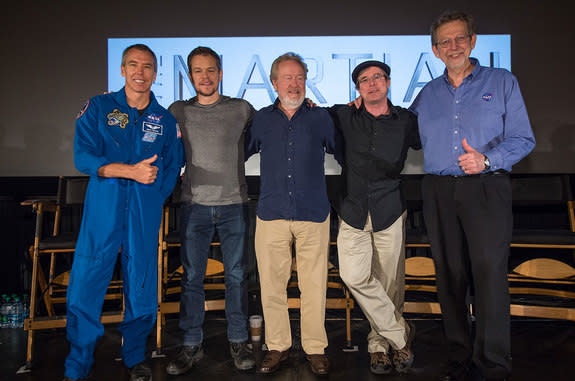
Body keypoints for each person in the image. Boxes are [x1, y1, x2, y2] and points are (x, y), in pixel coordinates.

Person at [409, 11, 535, 381]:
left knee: (489, 274)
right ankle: (459, 357)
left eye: (460, 38)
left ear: (473, 41)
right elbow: (403, 133)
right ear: (435, 50)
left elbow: (523, 138)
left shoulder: (502, 81)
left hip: (486, 188)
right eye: (445, 41)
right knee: (449, 276)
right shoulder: (427, 93)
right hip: (438, 191)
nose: (454, 46)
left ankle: (493, 363)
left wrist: (487, 158)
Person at [63, 44, 183, 381]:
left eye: (147, 67)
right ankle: (78, 364)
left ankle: (133, 356)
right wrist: (127, 171)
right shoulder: (99, 108)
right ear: (122, 69)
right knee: (86, 285)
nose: (140, 72)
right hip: (104, 209)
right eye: (133, 65)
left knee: (142, 284)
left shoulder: (165, 119)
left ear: (156, 74)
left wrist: (154, 195)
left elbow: (173, 165)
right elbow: (83, 157)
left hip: (143, 212)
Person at [245, 52, 341, 376]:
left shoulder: (320, 118)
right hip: (271, 213)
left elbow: (342, 151)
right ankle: (278, 346)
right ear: (274, 82)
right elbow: (238, 152)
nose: (294, 83)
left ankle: (315, 348)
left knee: (314, 286)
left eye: (299, 77)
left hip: (313, 212)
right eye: (287, 77)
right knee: (272, 286)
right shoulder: (260, 119)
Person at [164, 47, 256, 375]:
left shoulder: (242, 109)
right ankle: (191, 345)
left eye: (211, 70)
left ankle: (239, 340)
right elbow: (152, 136)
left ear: (220, 73)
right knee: (191, 278)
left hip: (234, 204)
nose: (205, 76)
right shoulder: (177, 111)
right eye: (198, 71)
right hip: (194, 206)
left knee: (235, 276)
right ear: (190, 76)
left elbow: (272, 129)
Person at [329, 60, 420, 375]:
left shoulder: (407, 120)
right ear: (358, 88)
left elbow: (430, 139)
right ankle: (400, 337)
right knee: (353, 276)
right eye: (364, 80)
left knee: (389, 284)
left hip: (389, 208)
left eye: (377, 78)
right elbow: (309, 114)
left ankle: (379, 348)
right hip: (353, 209)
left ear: (388, 82)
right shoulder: (342, 115)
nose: (371, 84)